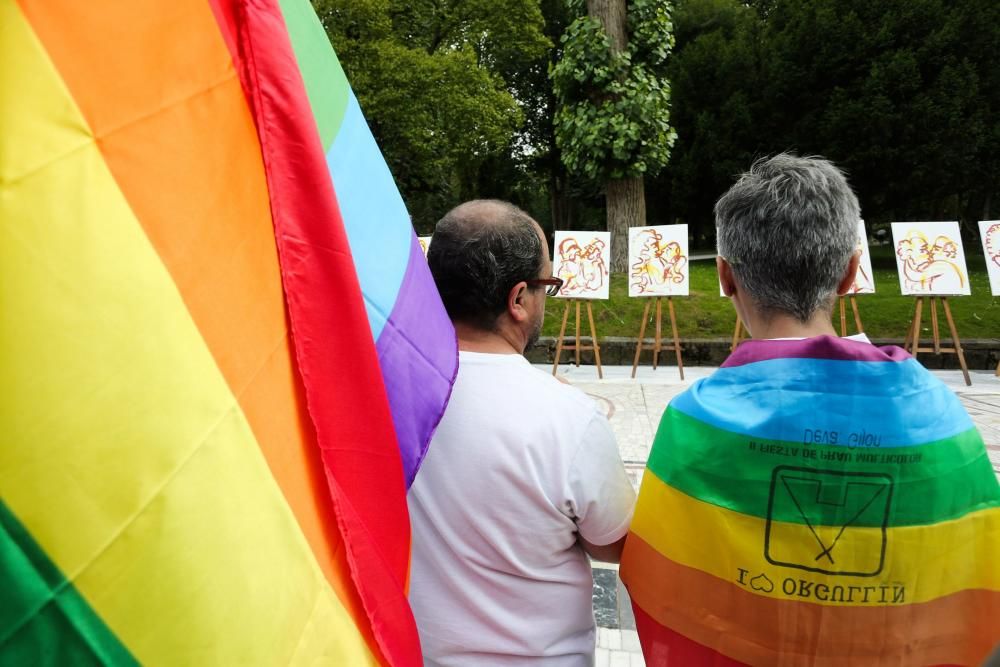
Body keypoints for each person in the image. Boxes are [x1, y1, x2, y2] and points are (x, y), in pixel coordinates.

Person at [619, 154, 1000, 665]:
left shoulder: (695, 422)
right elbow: (974, 580)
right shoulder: (938, 419)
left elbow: (658, 578)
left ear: (727, 277)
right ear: (849, 273)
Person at [409, 199, 636, 666]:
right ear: (518, 300)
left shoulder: (384, 394)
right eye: (546, 286)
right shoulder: (567, 417)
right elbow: (614, 542)